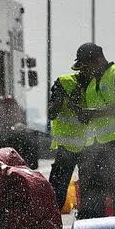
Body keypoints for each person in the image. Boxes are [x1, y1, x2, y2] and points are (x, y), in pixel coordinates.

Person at [71, 43, 115, 219]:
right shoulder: (92, 81)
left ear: (98, 60)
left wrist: (93, 114)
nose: (86, 70)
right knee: (92, 202)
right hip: (93, 149)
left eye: (87, 65)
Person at [46, 69, 87, 211]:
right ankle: (51, 221)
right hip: (67, 146)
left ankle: (88, 218)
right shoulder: (64, 83)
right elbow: (51, 113)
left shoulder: (97, 83)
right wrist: (60, 101)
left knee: (90, 189)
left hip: (90, 146)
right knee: (57, 190)